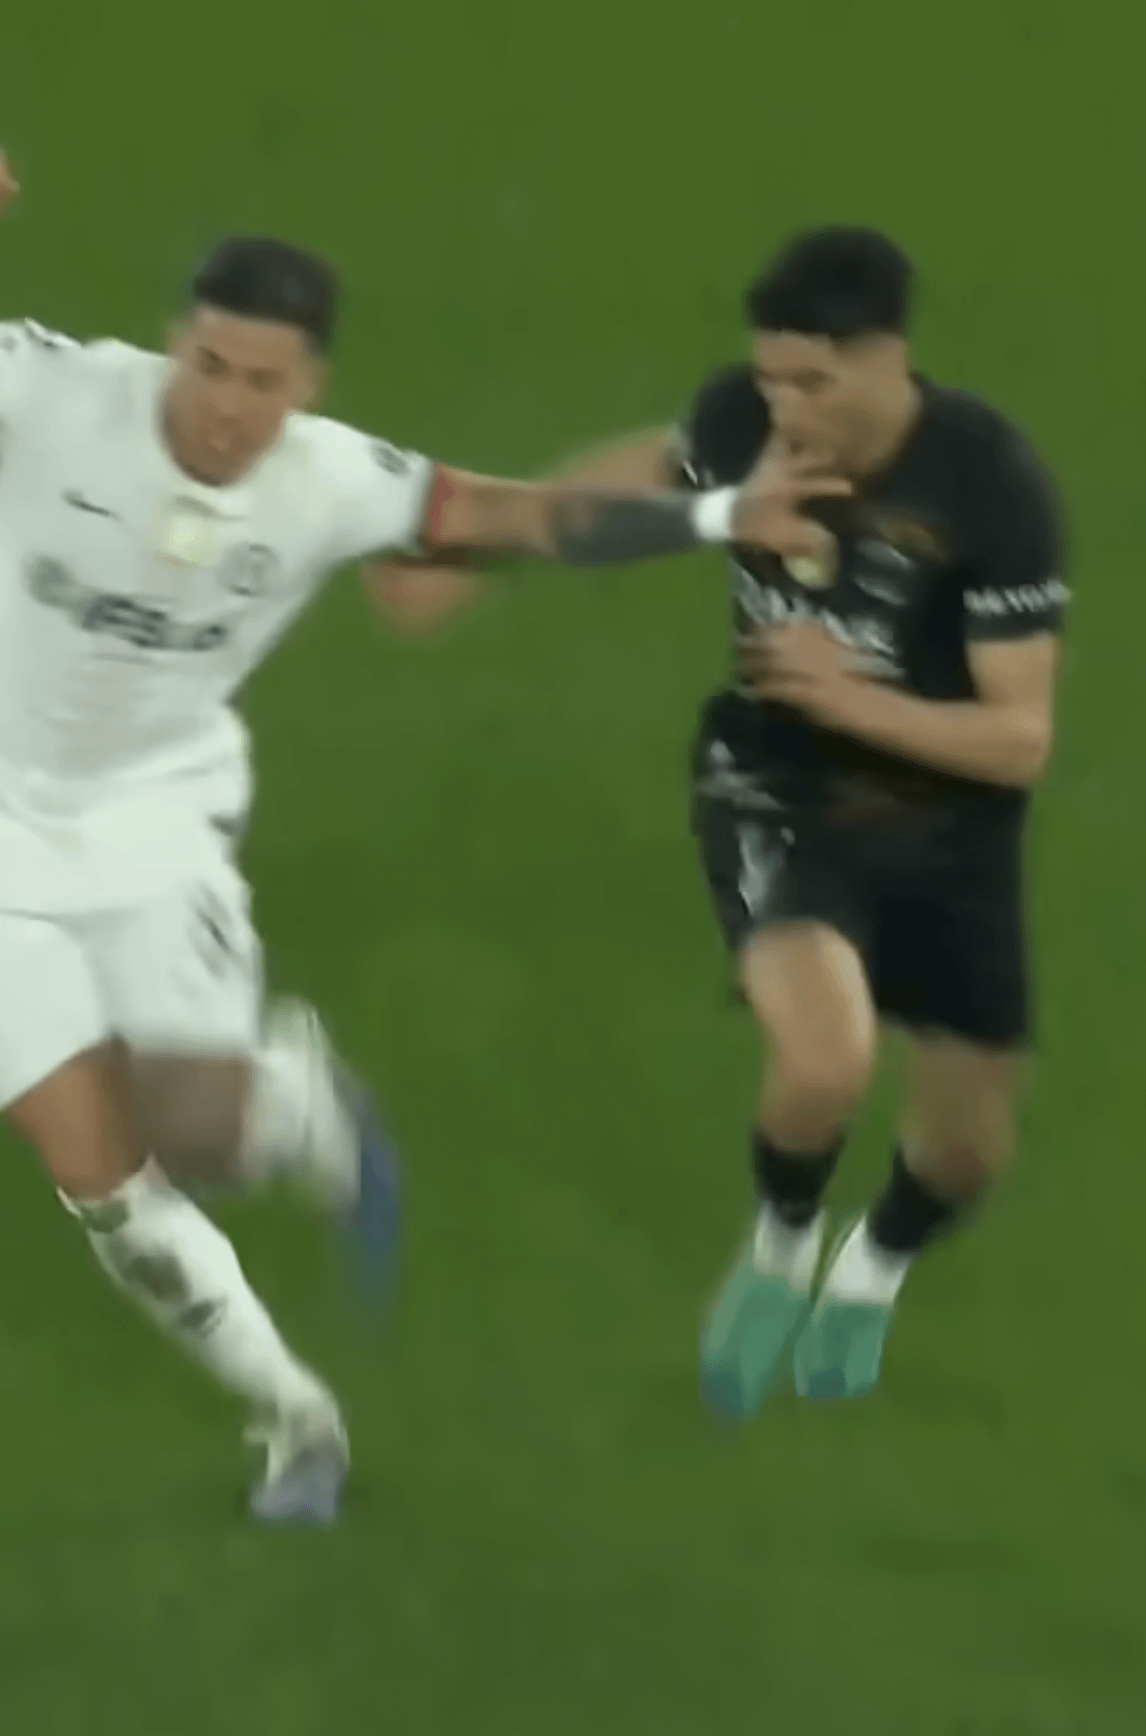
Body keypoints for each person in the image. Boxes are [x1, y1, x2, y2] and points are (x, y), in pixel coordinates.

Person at [0, 147, 839, 1523]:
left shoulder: (332, 481)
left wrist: (719, 514)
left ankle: (299, 1105)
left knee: (196, 1128)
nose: (229, 404)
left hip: (148, 825)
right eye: (210, 365)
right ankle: (295, 1416)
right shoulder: (61, 390)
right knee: (100, 1177)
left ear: (308, 385)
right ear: (175, 343)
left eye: (264, 380)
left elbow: (523, 518)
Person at [380, 226, 1068, 1424]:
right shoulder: (745, 423)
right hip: (778, 782)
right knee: (825, 1055)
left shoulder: (988, 484)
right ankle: (780, 1244)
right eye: (771, 379)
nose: (784, 410)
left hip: (949, 819)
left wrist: (849, 694)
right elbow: (648, 471)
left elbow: (1020, 738)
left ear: (888, 359)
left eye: (815, 383)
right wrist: (474, 548)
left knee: (967, 1149)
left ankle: (872, 1266)